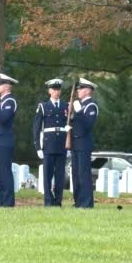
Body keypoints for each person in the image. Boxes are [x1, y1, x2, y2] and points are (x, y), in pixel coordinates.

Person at [32, 78, 70, 207]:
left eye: (58, 89)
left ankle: (58, 201)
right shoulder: (43, 106)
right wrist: (38, 147)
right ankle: (48, 201)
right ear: (49, 91)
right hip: (48, 144)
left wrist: (69, 146)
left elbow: (70, 125)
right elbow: (36, 128)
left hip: (62, 144)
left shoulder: (66, 106)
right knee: (47, 175)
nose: (57, 92)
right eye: (54, 89)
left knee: (60, 175)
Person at [65, 78, 98, 208]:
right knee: (76, 175)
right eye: (78, 88)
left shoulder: (91, 106)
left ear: (88, 91)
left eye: (81, 88)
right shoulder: (78, 105)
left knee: (84, 174)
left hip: (84, 144)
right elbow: (74, 122)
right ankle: (78, 201)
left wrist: (78, 111)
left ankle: (87, 203)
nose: (78, 91)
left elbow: (88, 125)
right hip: (75, 144)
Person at [0, 73, 18, 207]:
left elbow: (4, 119)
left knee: (5, 172)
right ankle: (1, 200)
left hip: (5, 141)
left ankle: (8, 202)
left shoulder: (10, 101)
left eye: (0, 84)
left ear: (7, 86)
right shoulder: (1, 101)